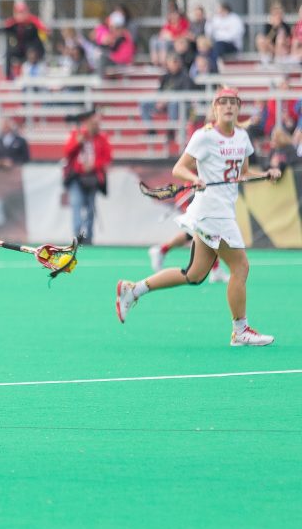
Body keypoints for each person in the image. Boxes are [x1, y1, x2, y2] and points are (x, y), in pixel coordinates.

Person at [116, 87, 280, 346]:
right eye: (223, 102)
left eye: (233, 103)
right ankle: (240, 330)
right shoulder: (203, 137)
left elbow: (242, 173)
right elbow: (179, 168)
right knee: (241, 267)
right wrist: (195, 179)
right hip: (211, 212)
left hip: (223, 210)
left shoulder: (242, 138)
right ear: (215, 108)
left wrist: (266, 175)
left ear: (238, 107)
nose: (228, 107)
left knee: (193, 274)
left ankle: (133, 289)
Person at [62, 108, 112, 244]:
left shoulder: (102, 138)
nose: (95, 126)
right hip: (76, 177)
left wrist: (94, 165)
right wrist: (78, 142)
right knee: (76, 205)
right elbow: (67, 153)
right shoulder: (77, 135)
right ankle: (77, 235)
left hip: (93, 177)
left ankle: (88, 237)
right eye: (92, 123)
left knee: (90, 208)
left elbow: (107, 158)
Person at [2, 1, 48, 78]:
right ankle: (7, 76)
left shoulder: (33, 21)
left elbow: (44, 29)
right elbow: (4, 27)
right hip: (21, 51)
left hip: (35, 51)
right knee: (8, 53)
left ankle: (34, 76)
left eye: (22, 12)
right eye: (19, 12)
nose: (21, 15)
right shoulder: (14, 23)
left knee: (31, 51)